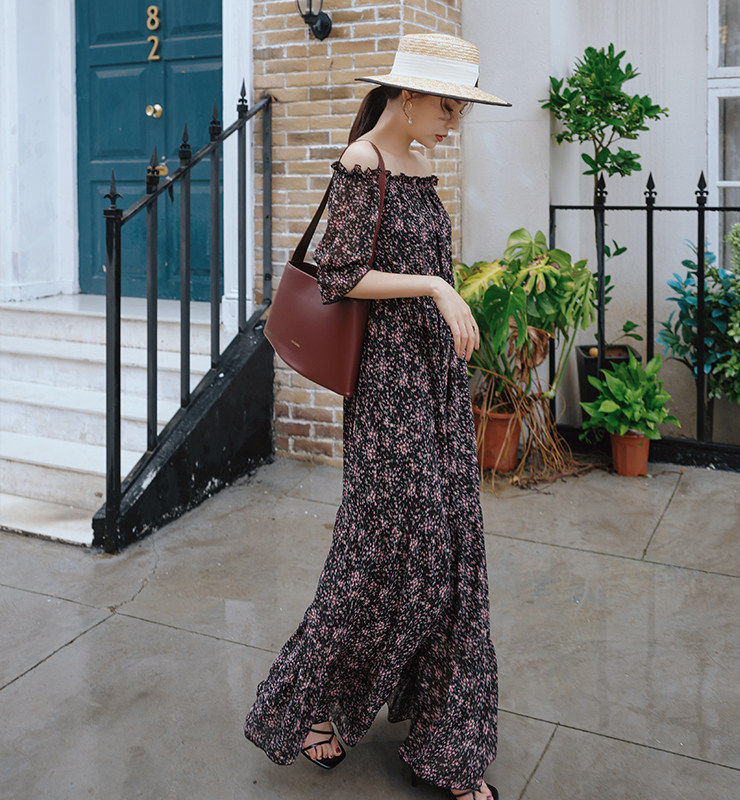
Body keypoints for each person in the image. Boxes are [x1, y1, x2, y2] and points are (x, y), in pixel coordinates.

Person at [245, 32, 510, 800]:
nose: (453, 122)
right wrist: (436, 287)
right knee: (389, 557)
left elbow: (424, 263)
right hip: (389, 390)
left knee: (453, 558)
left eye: (460, 110)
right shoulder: (363, 162)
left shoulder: (421, 165)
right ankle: (307, 708)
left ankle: (451, 748)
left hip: (436, 381)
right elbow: (340, 273)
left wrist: (447, 299)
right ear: (408, 95)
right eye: (447, 107)